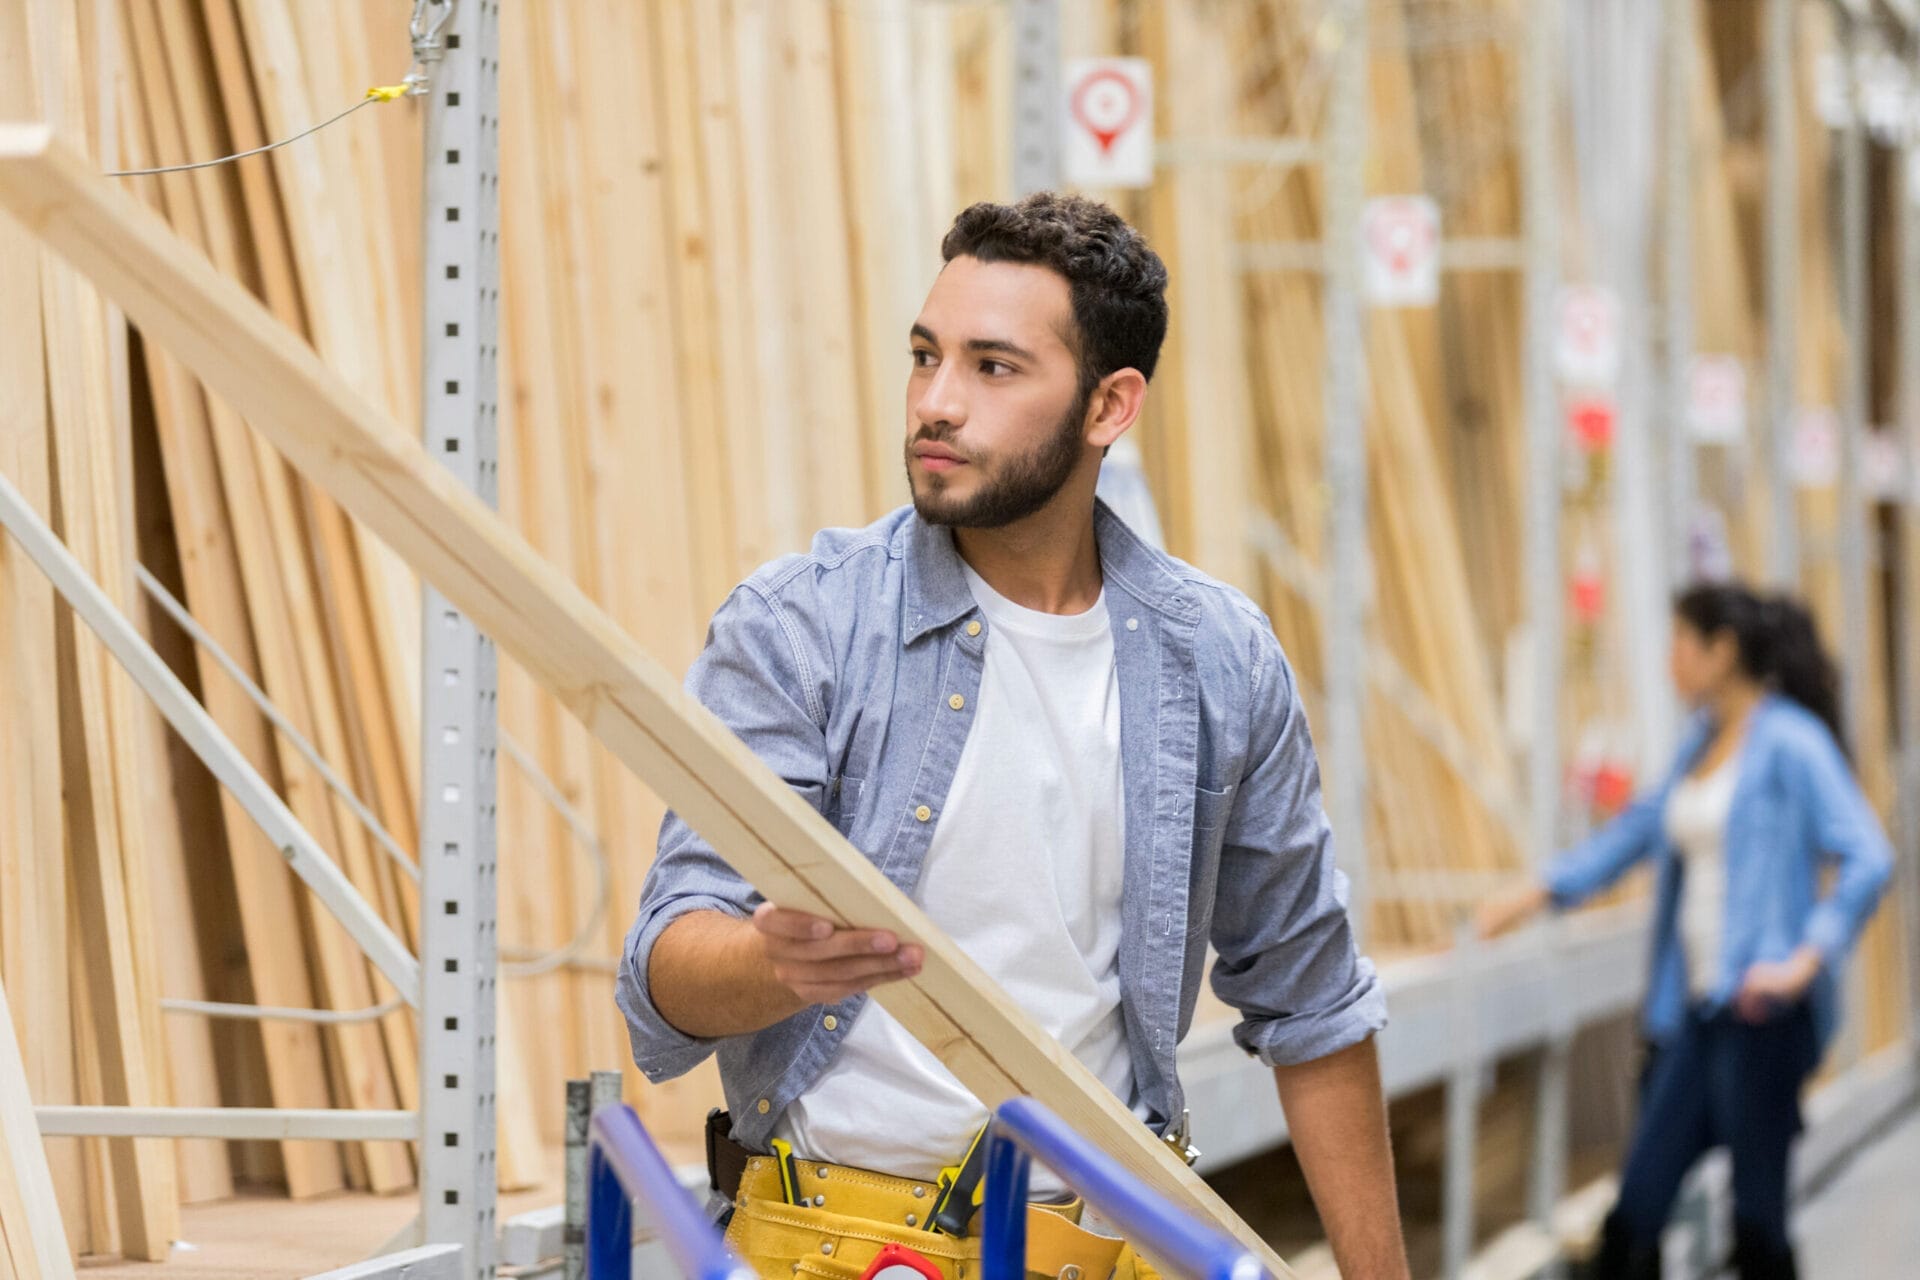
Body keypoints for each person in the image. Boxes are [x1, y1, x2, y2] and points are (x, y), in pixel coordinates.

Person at [618, 193, 1409, 1280]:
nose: (935, 403)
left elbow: (1314, 1003)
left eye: (993, 367)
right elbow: (663, 971)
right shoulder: (804, 624)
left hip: (1090, 1247)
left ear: (1108, 405)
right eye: (924, 355)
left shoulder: (1218, 659)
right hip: (828, 1247)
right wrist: (775, 961)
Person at [1478, 583, 1892, 1280]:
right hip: (1694, 1017)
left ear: (1720, 651)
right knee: (1636, 1209)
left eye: (1678, 644)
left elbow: (1869, 855)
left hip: (1761, 1015)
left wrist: (1803, 960)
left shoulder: (1790, 740)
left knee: (1758, 1222)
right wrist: (1536, 892)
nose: (1669, 661)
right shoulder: (1699, 744)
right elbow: (1639, 828)